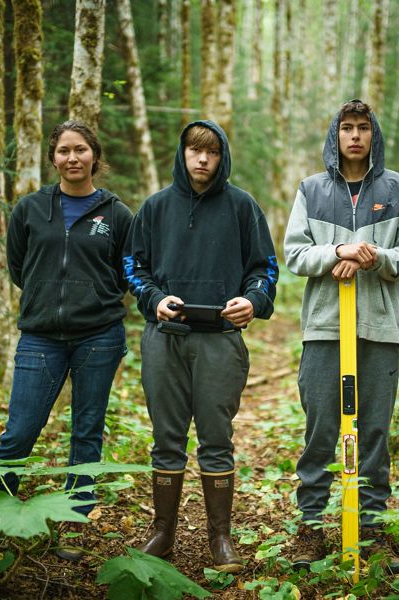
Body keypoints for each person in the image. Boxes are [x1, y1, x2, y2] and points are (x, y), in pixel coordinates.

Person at [124, 120, 278, 573]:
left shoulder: (242, 207)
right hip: (165, 341)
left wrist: (251, 301)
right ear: (184, 153)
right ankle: (163, 532)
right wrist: (154, 300)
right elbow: (134, 267)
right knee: (166, 440)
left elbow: (265, 269)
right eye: (195, 150)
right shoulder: (155, 208)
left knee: (216, 440)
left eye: (211, 152)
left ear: (221, 156)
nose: (203, 159)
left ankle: (221, 539)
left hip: (221, 343)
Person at [0, 120, 133, 561]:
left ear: (94, 157)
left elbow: (128, 271)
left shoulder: (117, 214)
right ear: (54, 158)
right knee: (21, 430)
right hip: (40, 337)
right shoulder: (29, 209)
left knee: (86, 434)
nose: (73, 158)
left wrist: (93, 299)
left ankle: (72, 524)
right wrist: (47, 296)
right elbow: (18, 268)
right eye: (64, 150)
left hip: (99, 337)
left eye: (81, 150)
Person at [283, 99, 399, 573]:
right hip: (324, 327)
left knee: (375, 430)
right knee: (321, 427)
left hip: (379, 329)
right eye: (347, 128)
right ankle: (311, 524)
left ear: (373, 134)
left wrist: (373, 257)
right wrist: (339, 249)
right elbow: (296, 255)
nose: (356, 136)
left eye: (363, 128)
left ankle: (373, 524)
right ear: (335, 135)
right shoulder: (312, 189)